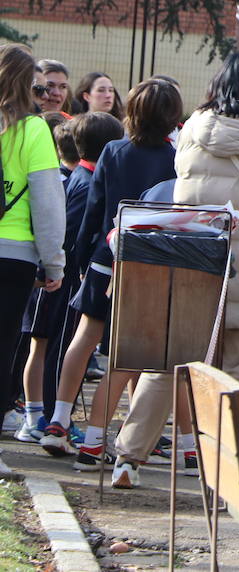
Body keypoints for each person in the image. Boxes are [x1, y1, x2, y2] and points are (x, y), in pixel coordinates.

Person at [106, 52, 239, 487]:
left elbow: (181, 181)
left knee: (171, 361)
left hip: (195, 262)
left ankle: (128, 458)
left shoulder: (192, 130)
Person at [40, 79, 182, 475]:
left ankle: (59, 418)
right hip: (150, 265)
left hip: (106, 256)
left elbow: (95, 208)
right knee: (129, 355)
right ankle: (108, 438)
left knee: (84, 336)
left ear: (130, 111)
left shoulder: (113, 151)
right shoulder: (177, 157)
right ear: (173, 116)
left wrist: (82, 258)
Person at [16, 113, 121, 447]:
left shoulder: (82, 177)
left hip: (57, 276)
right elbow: (69, 233)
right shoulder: (85, 183)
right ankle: (47, 418)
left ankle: (40, 416)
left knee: (46, 346)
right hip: (62, 281)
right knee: (54, 349)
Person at [0, 46, 67, 456]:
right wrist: (54, 260)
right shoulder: (34, 131)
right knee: (4, 348)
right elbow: (46, 202)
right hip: (14, 254)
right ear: (30, 86)